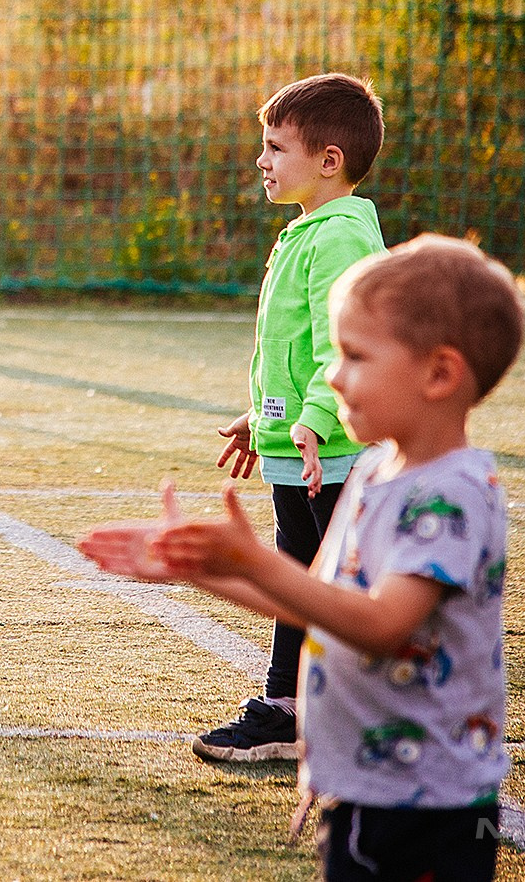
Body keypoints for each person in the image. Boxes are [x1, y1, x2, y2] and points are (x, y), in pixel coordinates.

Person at [81, 234, 524, 882]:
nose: (335, 375)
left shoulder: (451, 495)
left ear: (439, 373)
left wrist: (255, 559)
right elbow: (319, 601)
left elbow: (381, 623)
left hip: (429, 810)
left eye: (354, 355)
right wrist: (204, 569)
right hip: (366, 794)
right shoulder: (377, 470)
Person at [204, 73, 386, 762]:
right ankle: (288, 707)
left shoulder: (340, 236)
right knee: (300, 569)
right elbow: (290, 346)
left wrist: (313, 416)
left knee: (335, 584)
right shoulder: (311, 229)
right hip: (298, 442)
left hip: (331, 450)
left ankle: (351, 714)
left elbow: (343, 340)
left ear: (329, 160)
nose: (263, 160)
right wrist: (264, 416)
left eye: (276, 147)